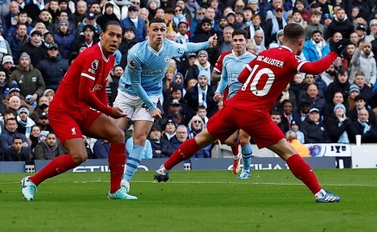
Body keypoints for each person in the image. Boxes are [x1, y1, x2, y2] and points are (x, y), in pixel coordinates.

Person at [155, 24, 341, 203]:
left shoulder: (264, 54)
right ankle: (319, 193)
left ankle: (164, 168)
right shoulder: (291, 60)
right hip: (255, 112)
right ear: (301, 42)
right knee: (288, 152)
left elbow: (243, 77)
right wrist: (334, 53)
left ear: (282, 38)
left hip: (234, 106)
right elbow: (316, 69)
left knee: (201, 139)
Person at [21, 21, 136, 200]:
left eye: (118, 36)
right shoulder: (93, 57)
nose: (115, 39)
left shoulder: (111, 58)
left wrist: (107, 118)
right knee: (79, 156)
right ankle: (32, 181)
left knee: (117, 135)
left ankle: (115, 191)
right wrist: (108, 110)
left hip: (82, 110)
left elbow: (100, 88)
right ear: (102, 36)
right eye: (111, 34)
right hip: (63, 111)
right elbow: (84, 93)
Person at [113, 17, 218, 194]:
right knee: (115, 135)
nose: (159, 33)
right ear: (148, 31)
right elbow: (137, 84)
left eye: (162, 30)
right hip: (128, 94)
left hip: (151, 96)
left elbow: (187, 47)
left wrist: (206, 44)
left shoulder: (169, 46)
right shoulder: (136, 53)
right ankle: (115, 173)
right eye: (155, 30)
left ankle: (124, 182)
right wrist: (152, 107)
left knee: (140, 137)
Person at [213, 29, 256, 179]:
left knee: (244, 139)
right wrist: (218, 92)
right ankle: (237, 157)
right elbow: (224, 79)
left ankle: (247, 170)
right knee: (230, 140)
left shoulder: (253, 59)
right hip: (231, 103)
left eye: (241, 40)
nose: (238, 43)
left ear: (246, 42)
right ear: (231, 42)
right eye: (235, 40)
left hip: (247, 103)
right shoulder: (227, 59)